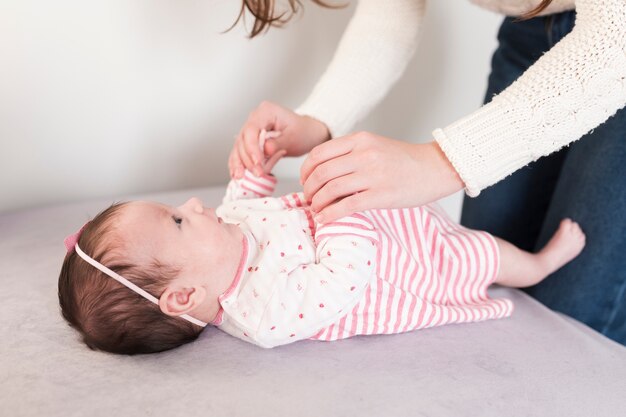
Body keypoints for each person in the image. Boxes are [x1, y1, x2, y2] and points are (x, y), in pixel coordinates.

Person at [228, 0, 626, 344]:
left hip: (616, 34)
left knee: (574, 312)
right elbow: (388, 18)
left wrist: (443, 162)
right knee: (490, 270)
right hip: (532, 32)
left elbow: (616, 33)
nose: (194, 205)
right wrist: (318, 120)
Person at [58, 133, 586, 354]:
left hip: (393, 221)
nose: (194, 207)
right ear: (183, 297)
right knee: (481, 252)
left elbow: (243, 206)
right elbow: (341, 283)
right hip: (408, 267)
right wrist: (338, 209)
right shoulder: (264, 315)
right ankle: (538, 266)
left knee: (469, 225)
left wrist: (254, 172)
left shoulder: (217, 244)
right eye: (176, 221)